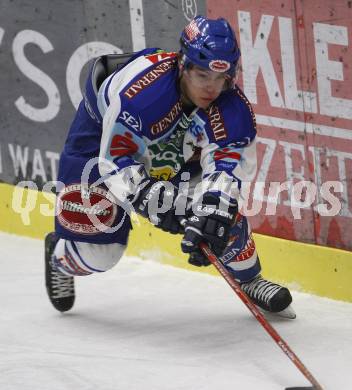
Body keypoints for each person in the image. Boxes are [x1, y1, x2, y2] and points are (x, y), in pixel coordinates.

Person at [45, 15, 294, 317]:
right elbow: (114, 160)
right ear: (183, 64)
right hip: (100, 142)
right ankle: (59, 255)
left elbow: (228, 167)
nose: (212, 88)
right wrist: (151, 198)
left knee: (217, 213)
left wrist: (215, 204)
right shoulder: (142, 98)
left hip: (172, 146)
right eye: (203, 75)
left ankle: (250, 278)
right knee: (100, 255)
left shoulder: (231, 105)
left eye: (222, 78)